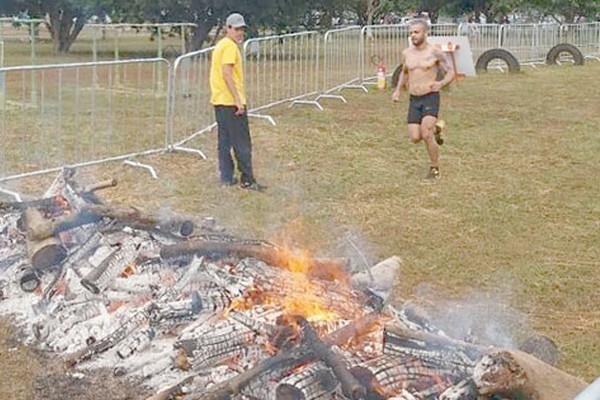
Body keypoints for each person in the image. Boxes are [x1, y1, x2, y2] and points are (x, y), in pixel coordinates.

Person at [392, 19, 454, 179]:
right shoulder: (407, 53)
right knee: (415, 137)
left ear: (425, 33)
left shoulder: (434, 52)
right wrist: (397, 90)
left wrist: (441, 83)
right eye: (411, 32)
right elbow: (405, 72)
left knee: (426, 134)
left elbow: (451, 72)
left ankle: (434, 168)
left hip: (430, 97)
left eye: (416, 32)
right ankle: (437, 128)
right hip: (414, 99)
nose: (413, 35)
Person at [210, 12, 265, 191]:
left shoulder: (221, 45)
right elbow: (227, 74)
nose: (240, 33)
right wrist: (237, 101)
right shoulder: (230, 47)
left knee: (224, 141)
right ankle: (247, 179)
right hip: (230, 103)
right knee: (242, 143)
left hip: (219, 101)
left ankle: (226, 177)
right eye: (236, 29)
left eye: (242, 29)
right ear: (228, 28)